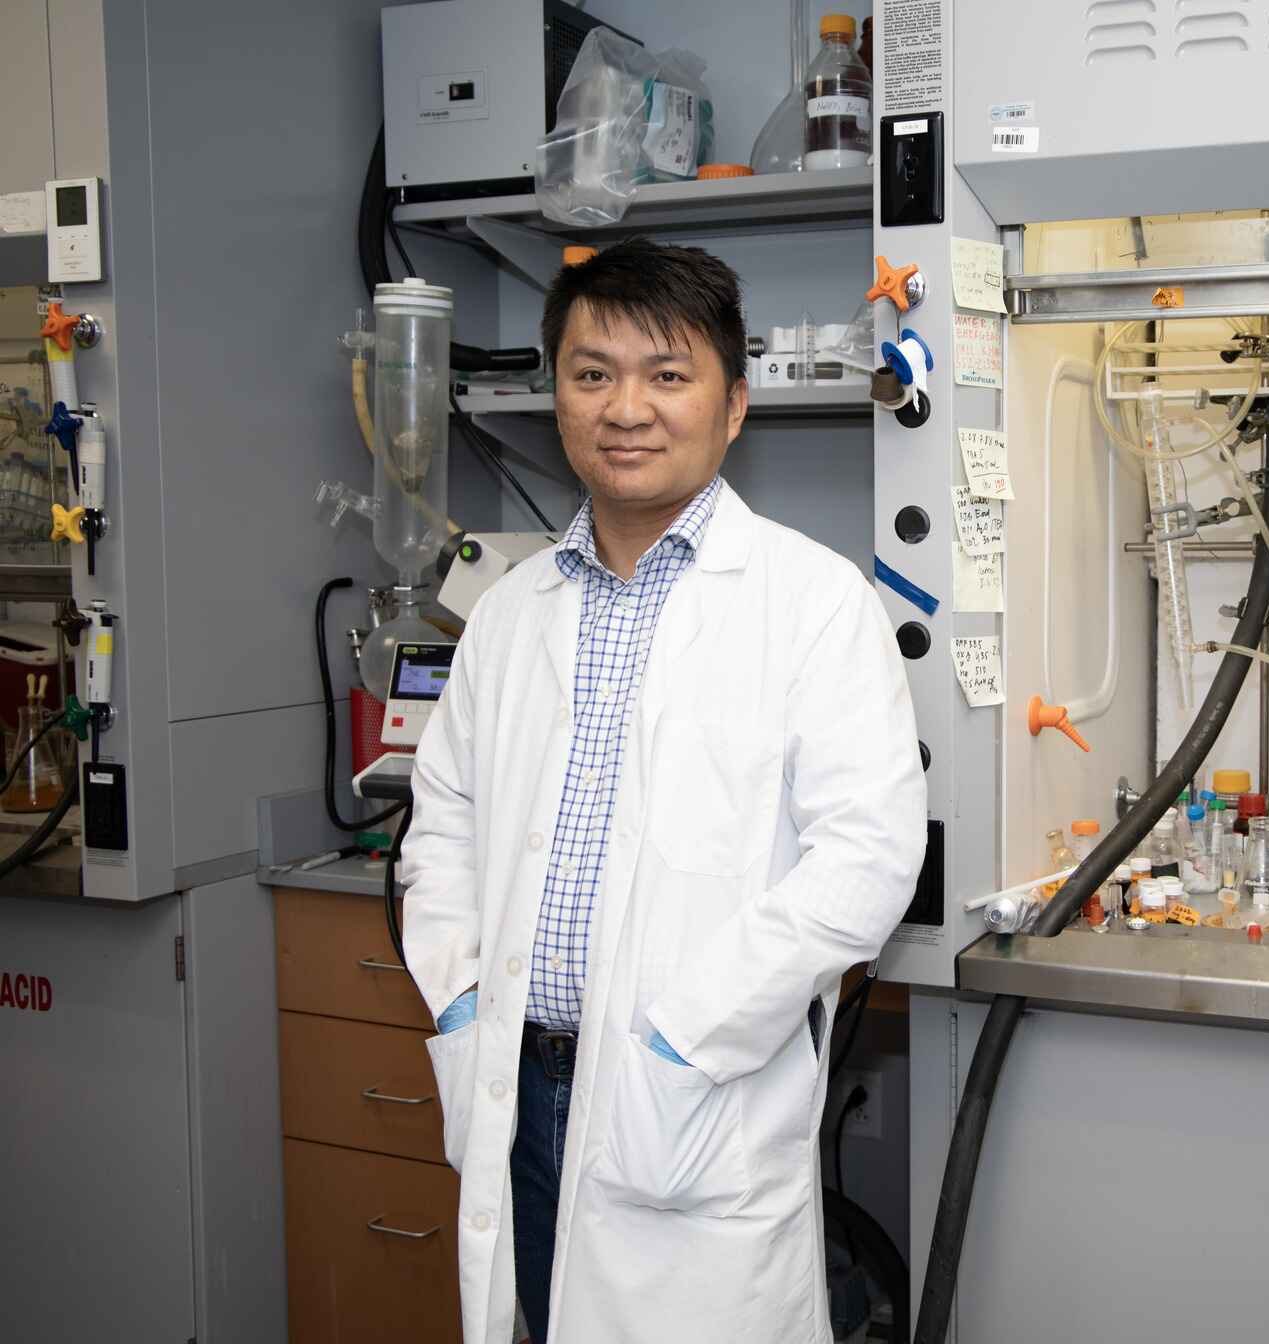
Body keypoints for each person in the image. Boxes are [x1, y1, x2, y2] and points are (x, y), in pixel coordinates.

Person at [401, 239, 926, 1344]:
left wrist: (679, 1040)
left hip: (687, 1099)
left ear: (733, 406)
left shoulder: (815, 604)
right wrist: (457, 1003)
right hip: (515, 1088)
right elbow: (439, 827)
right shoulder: (510, 612)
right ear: (557, 396)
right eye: (592, 374)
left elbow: (867, 862)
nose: (625, 407)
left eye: (667, 374)